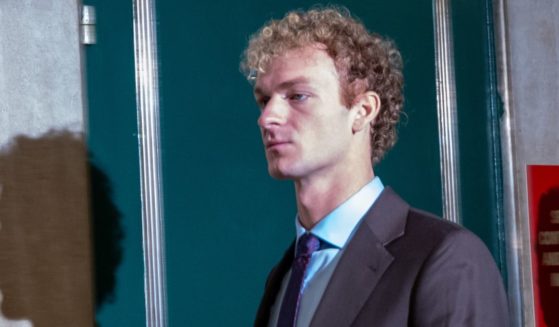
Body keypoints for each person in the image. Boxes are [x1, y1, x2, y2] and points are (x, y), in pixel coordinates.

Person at [240, 6, 509, 327]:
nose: (267, 118)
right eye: (264, 100)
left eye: (297, 95)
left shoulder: (447, 257)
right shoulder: (284, 276)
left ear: (363, 110)